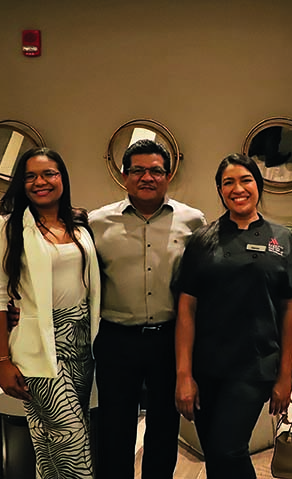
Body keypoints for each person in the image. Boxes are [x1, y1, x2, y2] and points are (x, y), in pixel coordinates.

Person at [174, 153, 292, 479]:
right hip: (207, 366)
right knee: (215, 453)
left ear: (258, 185)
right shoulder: (203, 240)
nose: (238, 189)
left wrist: (285, 376)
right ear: (220, 191)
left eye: (246, 180)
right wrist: (184, 374)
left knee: (228, 448)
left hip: (255, 365)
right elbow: (186, 309)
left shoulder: (283, 240)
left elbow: (290, 312)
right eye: (228, 182)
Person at [89, 139, 205, 479]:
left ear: (168, 176)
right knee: (115, 428)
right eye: (137, 170)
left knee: (164, 427)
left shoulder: (193, 221)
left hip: (169, 339)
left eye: (156, 171)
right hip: (116, 339)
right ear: (124, 176)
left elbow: (202, 282)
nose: (147, 177)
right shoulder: (97, 223)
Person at [0, 147, 100, 478]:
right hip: (38, 348)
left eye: (49, 173)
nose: (40, 182)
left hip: (81, 346)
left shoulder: (79, 225)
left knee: (51, 445)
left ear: (62, 178)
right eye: (30, 176)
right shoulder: (8, 229)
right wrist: (1, 361)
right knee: (71, 440)